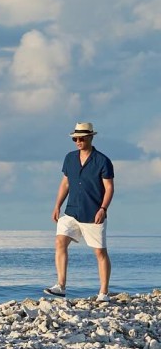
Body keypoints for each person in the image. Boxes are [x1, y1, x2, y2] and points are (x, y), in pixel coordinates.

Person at [44, 121, 114, 301]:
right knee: (60, 242)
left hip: (93, 214)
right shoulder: (69, 158)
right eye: (75, 138)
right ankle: (60, 286)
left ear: (90, 137)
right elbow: (65, 183)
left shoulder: (102, 161)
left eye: (81, 138)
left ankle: (103, 293)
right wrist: (57, 205)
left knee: (100, 253)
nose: (78, 141)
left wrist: (103, 209)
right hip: (71, 211)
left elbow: (109, 188)